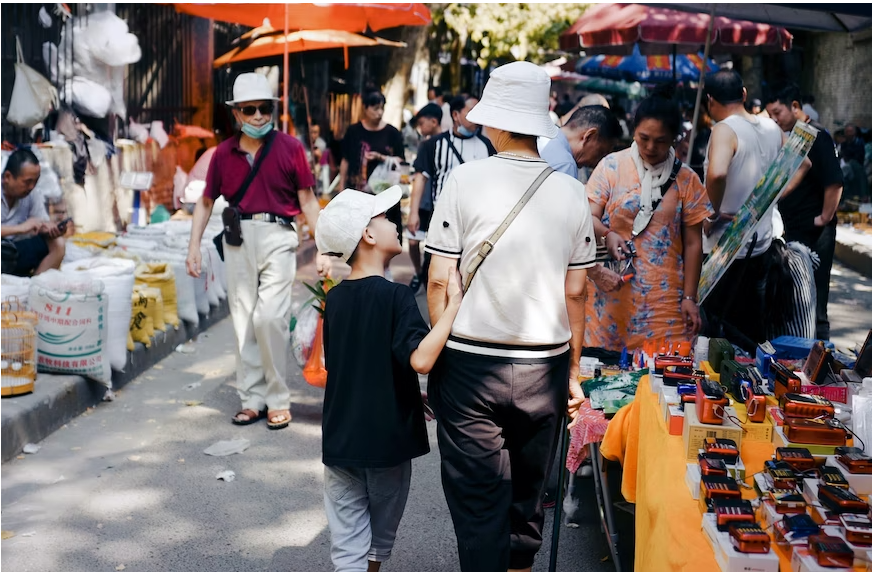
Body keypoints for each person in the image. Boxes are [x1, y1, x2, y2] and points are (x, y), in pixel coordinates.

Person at [423, 61, 594, 571]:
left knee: (478, 502)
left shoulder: (463, 179)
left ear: (492, 120)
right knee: (526, 499)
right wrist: (574, 371)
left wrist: (437, 351)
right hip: (544, 365)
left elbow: (437, 279)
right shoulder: (571, 191)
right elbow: (578, 291)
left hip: (470, 366)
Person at [315, 186, 462, 572]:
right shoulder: (396, 297)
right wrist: (452, 310)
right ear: (367, 235)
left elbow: (351, 363)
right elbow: (421, 360)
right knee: (377, 543)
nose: (393, 224)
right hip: (387, 443)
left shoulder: (335, 300)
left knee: (347, 547)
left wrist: (412, 396)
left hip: (340, 439)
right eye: (384, 218)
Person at [186, 72, 331, 429]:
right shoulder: (222, 153)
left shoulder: (291, 148)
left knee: (269, 317)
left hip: (279, 236)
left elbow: (308, 201)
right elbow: (205, 203)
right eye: (249, 110)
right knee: (242, 320)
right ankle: (252, 398)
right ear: (236, 114)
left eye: (264, 108)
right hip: (237, 239)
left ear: (272, 110)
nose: (258, 116)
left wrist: (325, 249)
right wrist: (194, 247)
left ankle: (278, 398)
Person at [585, 92, 712, 351]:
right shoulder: (611, 167)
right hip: (611, 295)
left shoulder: (686, 180)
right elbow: (587, 217)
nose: (651, 147)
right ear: (633, 132)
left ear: (675, 139)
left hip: (664, 301)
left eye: (660, 141)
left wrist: (690, 297)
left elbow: (692, 244)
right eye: (644, 138)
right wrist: (607, 234)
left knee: (663, 372)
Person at [700, 70, 784, 352]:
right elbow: (802, 164)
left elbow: (717, 173)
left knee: (719, 334)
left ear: (710, 100)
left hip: (726, 249)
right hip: (762, 244)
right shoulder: (771, 127)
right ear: (744, 94)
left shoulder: (725, 129)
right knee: (750, 332)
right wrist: (772, 197)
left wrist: (711, 213)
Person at [766, 84, 843, 340]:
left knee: (817, 300)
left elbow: (834, 182)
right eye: (770, 115)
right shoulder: (792, 137)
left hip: (816, 232)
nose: (775, 120)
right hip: (794, 228)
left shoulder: (817, 136)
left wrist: (824, 217)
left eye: (778, 113)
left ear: (795, 107)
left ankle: (820, 352)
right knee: (798, 296)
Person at [407, 95, 494, 291]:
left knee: (469, 272)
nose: (478, 117)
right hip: (442, 220)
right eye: (471, 111)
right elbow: (421, 178)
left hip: (476, 223)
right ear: (455, 115)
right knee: (437, 275)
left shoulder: (487, 146)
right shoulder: (433, 145)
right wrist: (413, 213)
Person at [339, 90, 405, 243]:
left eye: (382, 108)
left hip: (385, 196)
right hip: (358, 194)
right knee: (358, 235)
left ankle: (385, 267)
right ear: (365, 108)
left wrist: (381, 157)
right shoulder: (353, 131)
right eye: (375, 108)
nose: (379, 113)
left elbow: (401, 161)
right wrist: (342, 188)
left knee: (385, 235)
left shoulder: (392, 133)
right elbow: (345, 160)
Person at [1, 149, 66, 277]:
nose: (31, 187)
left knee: (57, 242)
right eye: (27, 182)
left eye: (35, 182)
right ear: (8, 177)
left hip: (16, 251)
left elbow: (40, 222)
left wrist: (50, 229)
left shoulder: (32, 192)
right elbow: (27, 226)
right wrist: (21, 228)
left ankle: (35, 285)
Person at [404, 102, 444, 291]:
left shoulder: (445, 143)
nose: (420, 128)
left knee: (433, 245)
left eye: (422, 123)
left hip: (438, 204)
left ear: (434, 121)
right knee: (413, 240)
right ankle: (419, 272)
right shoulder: (425, 144)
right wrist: (414, 211)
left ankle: (427, 275)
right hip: (423, 202)